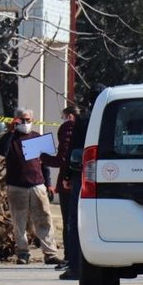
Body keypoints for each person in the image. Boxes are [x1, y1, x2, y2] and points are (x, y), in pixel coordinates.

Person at [0, 107, 62, 265]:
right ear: (16, 120)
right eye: (22, 120)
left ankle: (50, 253)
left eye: (28, 120)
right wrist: (10, 132)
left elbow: (44, 163)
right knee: (19, 221)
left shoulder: (36, 138)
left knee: (44, 219)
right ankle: (23, 253)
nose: (25, 123)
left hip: (37, 185)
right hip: (16, 187)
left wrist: (49, 184)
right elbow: (1, 151)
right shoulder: (11, 140)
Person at [59, 83, 107, 280]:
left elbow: (73, 149)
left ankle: (75, 265)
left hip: (83, 173)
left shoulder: (84, 119)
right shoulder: (111, 115)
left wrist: (68, 176)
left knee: (75, 220)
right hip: (108, 173)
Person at [40, 105, 79, 271]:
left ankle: (70, 257)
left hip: (68, 182)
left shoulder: (68, 128)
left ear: (69, 116)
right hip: (86, 179)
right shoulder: (90, 125)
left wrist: (43, 157)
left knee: (69, 221)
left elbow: (63, 158)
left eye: (63, 117)